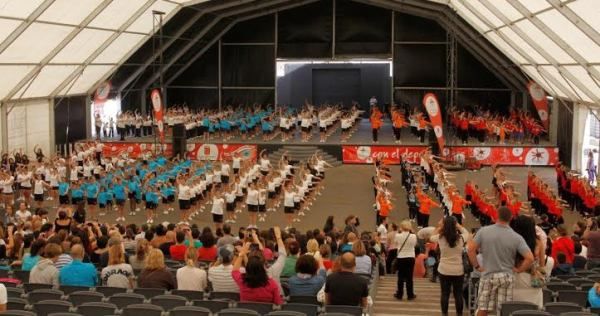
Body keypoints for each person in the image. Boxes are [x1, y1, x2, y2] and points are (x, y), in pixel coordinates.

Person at [467, 207, 534, 316]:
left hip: (489, 274)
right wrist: (519, 269)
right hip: (507, 275)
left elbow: (470, 249)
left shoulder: (484, 231)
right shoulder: (516, 237)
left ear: (496, 216)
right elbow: (530, 258)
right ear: (511, 218)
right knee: (503, 310)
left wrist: (477, 266)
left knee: (483, 307)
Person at [511, 215, 545, 308]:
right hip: (532, 279)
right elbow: (542, 264)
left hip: (514, 277)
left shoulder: (512, 240)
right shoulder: (538, 242)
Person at [393, 220, 417, 300]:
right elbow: (414, 245)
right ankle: (410, 294)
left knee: (400, 276)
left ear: (402, 227)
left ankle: (400, 294)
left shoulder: (398, 235)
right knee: (409, 277)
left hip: (401, 257)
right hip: (410, 257)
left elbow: (396, 243)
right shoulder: (413, 236)